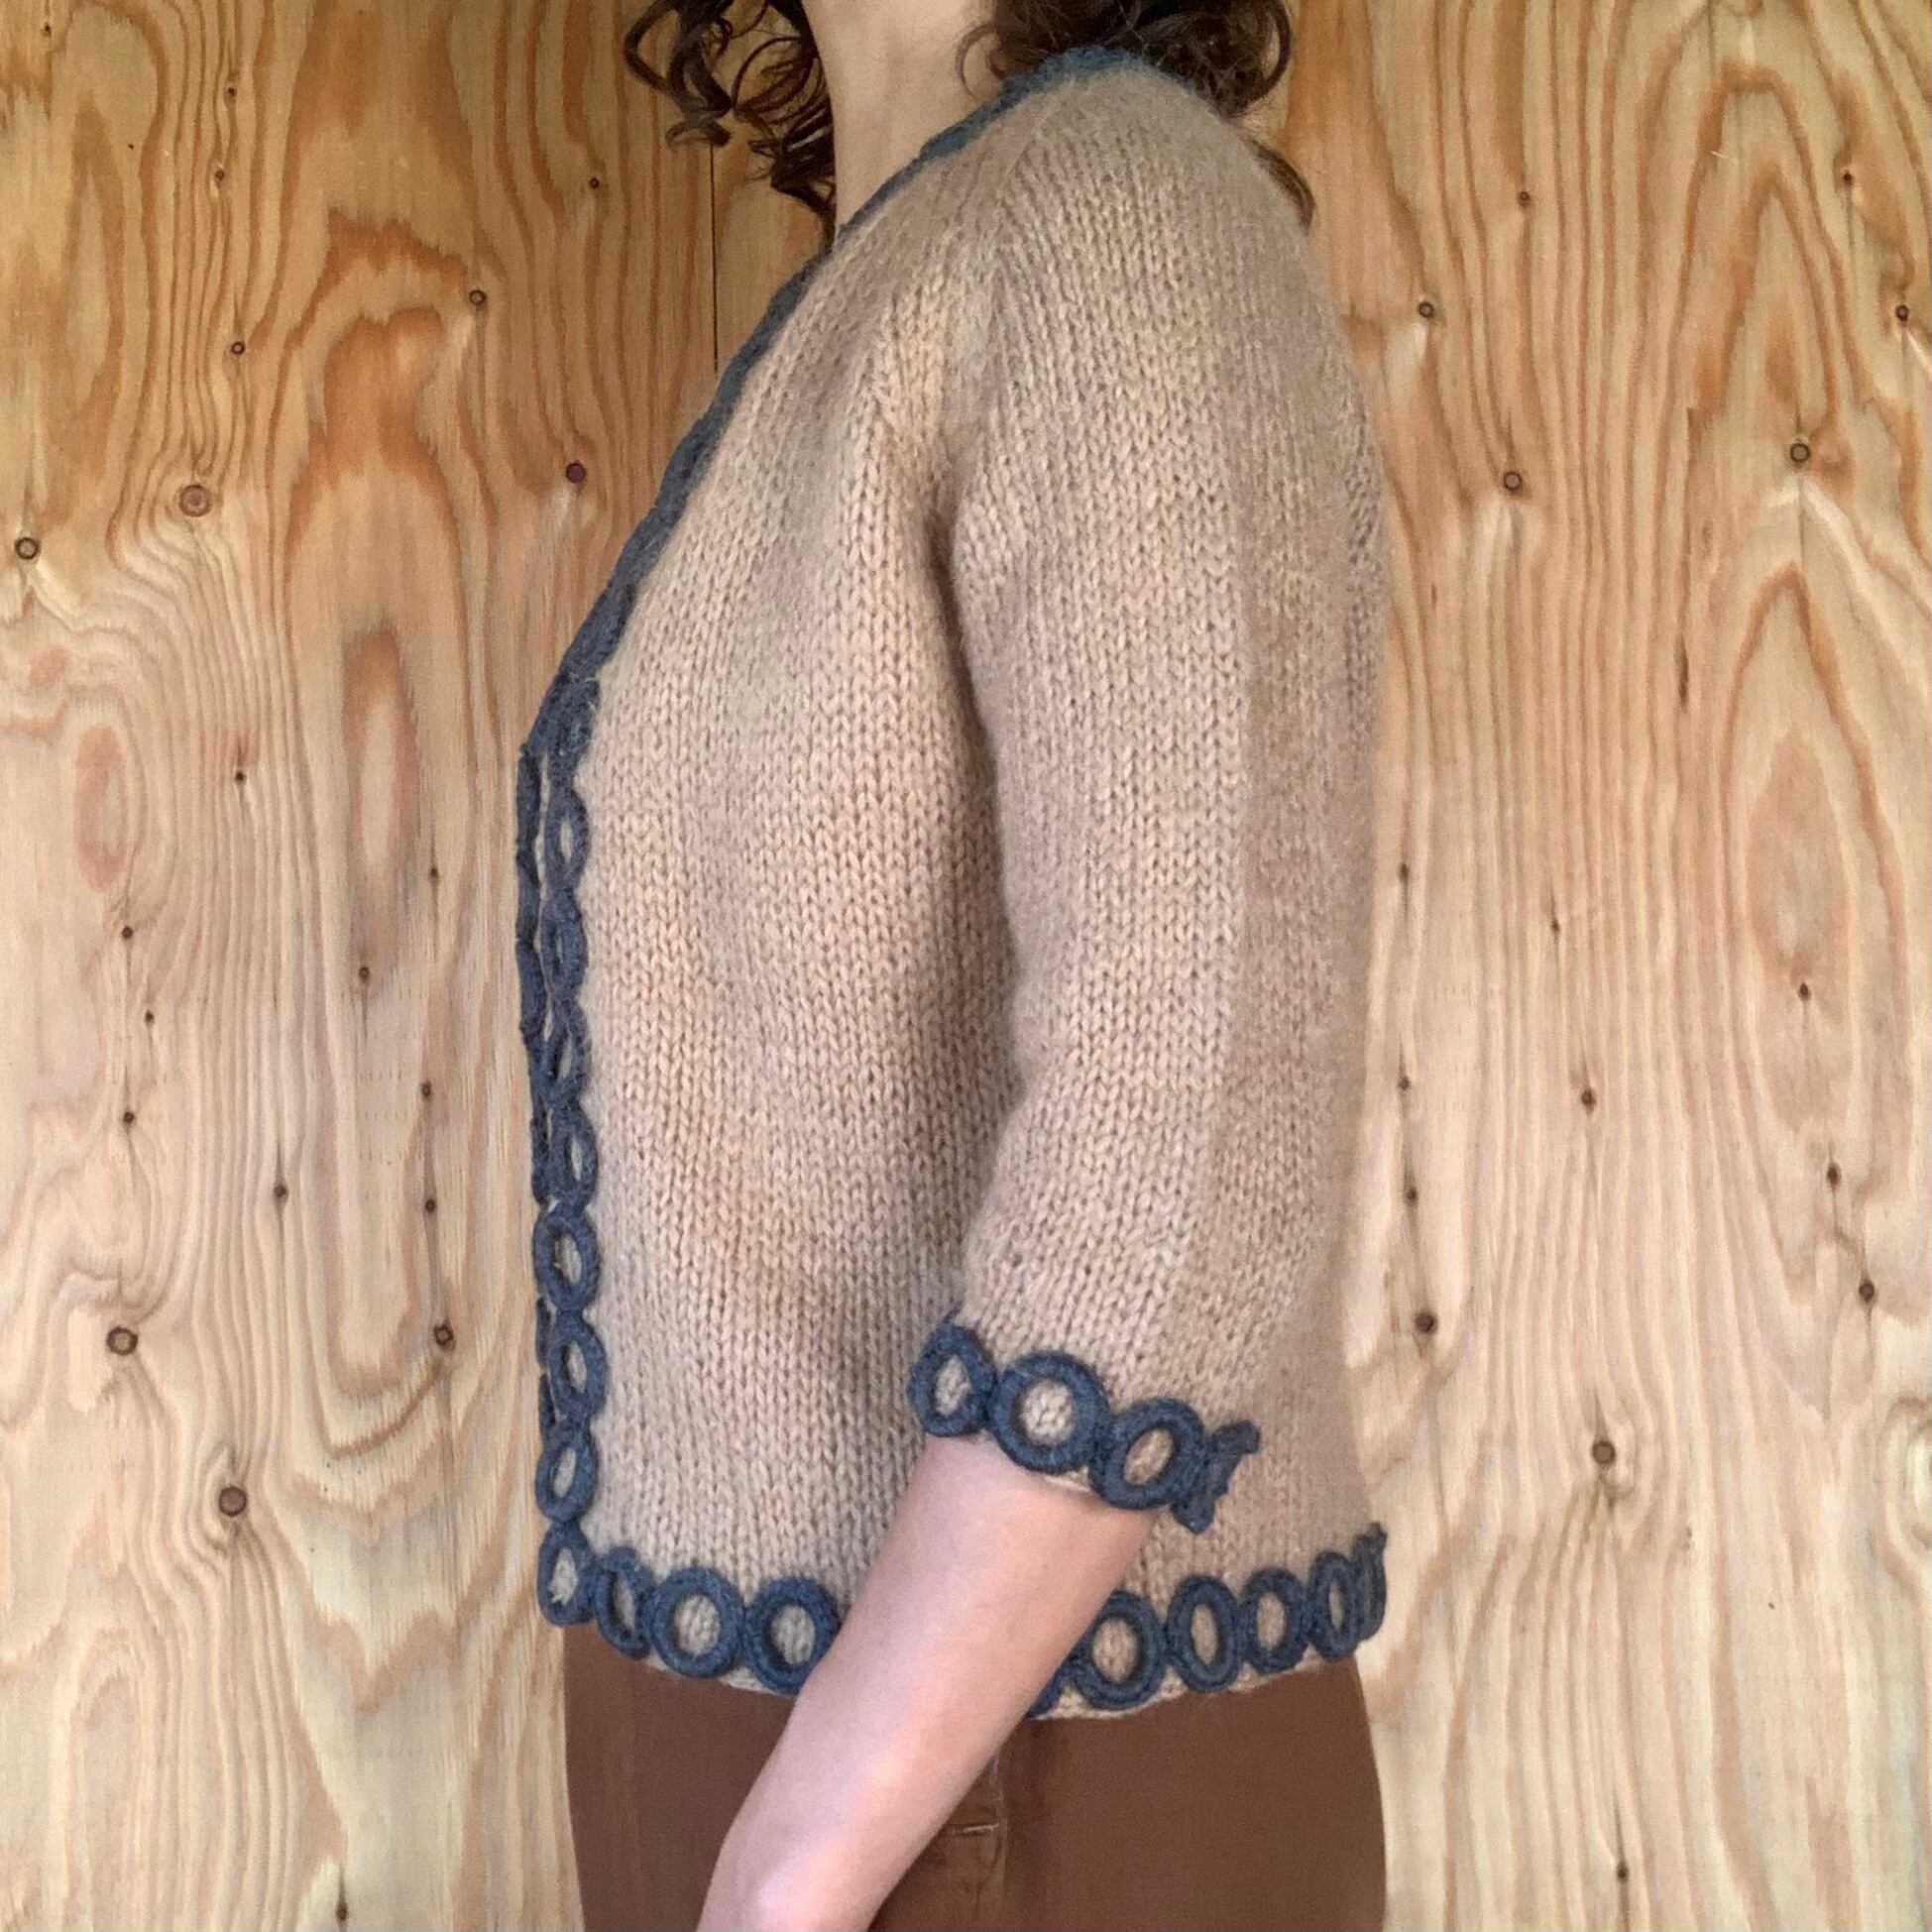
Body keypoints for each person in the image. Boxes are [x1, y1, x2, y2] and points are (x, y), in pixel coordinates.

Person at [512, 3, 1394, 1926]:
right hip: (814, 1753)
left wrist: (798, 1863)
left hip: (990, 1782)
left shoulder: (1110, 217)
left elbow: (1191, 1135)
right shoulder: (918, 262)